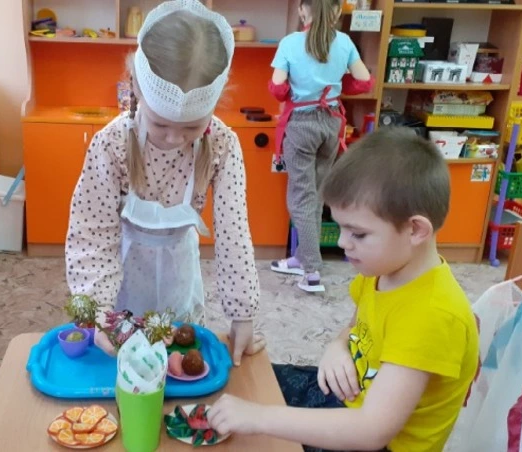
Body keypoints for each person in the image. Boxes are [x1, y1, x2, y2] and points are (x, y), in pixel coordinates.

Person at [207, 128, 480, 452]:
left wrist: (260, 418)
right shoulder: (383, 269)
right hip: (350, 399)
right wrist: (338, 347)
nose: (341, 242)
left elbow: (371, 431)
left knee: (255, 425)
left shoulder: (432, 314)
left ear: (416, 229)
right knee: (246, 384)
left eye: (358, 234)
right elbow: (355, 326)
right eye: (340, 227)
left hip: (374, 440)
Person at [65, 0, 266, 365]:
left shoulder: (222, 145)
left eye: (192, 127)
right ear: (136, 90)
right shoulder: (111, 143)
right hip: (122, 280)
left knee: (176, 367)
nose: (174, 139)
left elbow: (234, 235)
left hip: (180, 277)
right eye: (160, 123)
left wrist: (242, 314)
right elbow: (91, 232)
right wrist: (99, 311)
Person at [268, 0, 372, 293]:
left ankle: (311, 270)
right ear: (336, 11)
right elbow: (364, 81)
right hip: (331, 123)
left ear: (303, 10)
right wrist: (336, 85)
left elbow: (277, 88)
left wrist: (298, 87)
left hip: (301, 124)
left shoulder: (290, 43)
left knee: (300, 197)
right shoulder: (345, 42)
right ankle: (301, 257)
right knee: (314, 194)